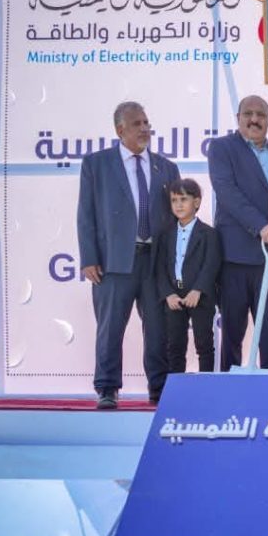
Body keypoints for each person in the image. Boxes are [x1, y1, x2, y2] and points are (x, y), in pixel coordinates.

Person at [77, 102, 180, 409]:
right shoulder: (96, 164)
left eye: (146, 122)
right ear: (120, 129)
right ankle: (107, 388)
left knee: (158, 329)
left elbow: (176, 218)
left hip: (155, 262)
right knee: (110, 329)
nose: (144, 128)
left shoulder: (167, 168)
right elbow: (86, 214)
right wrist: (88, 258)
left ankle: (159, 388)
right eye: (137, 124)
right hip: (113, 263)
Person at [207, 95, 268, 372]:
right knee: (233, 334)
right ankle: (230, 389)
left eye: (261, 115)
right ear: (238, 118)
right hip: (235, 257)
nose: (254, 120)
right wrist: (262, 226)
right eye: (248, 114)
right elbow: (227, 193)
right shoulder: (222, 148)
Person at [156, 179, 222, 377]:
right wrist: (168, 294)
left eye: (183, 199)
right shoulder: (165, 235)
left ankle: (206, 386)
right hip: (174, 297)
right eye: (174, 200)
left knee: (204, 344)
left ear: (197, 202)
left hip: (200, 297)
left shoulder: (209, 233)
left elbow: (211, 265)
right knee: (174, 345)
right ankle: (177, 387)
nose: (178, 205)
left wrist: (198, 289)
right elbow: (160, 267)